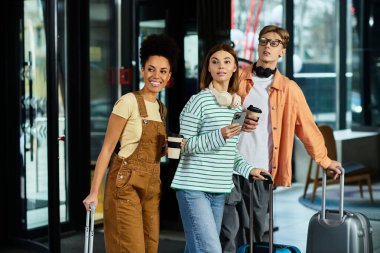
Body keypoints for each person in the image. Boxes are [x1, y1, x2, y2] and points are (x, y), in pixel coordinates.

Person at [220, 25, 342, 253]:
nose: (267, 46)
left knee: (255, 234)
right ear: (258, 45)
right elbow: (213, 110)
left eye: (274, 43)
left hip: (260, 171)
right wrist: (237, 119)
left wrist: (325, 161)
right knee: (227, 232)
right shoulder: (235, 78)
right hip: (228, 166)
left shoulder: (289, 89)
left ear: (282, 51)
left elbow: (307, 128)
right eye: (264, 41)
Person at [82, 34, 180, 253]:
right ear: (143, 70)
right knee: (130, 248)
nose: (157, 76)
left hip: (152, 187)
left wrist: (167, 149)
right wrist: (93, 192)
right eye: (151, 69)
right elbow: (108, 149)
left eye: (163, 71)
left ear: (169, 76)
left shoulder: (161, 109)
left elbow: (152, 151)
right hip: (125, 185)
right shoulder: (127, 102)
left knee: (150, 247)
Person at [170, 43, 270, 253]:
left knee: (198, 249)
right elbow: (184, 146)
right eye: (214, 62)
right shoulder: (198, 101)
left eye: (226, 61)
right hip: (193, 189)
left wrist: (249, 169)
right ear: (208, 68)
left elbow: (229, 152)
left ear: (235, 68)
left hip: (218, 190)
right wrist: (219, 134)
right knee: (210, 250)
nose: (220, 66)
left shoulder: (235, 106)